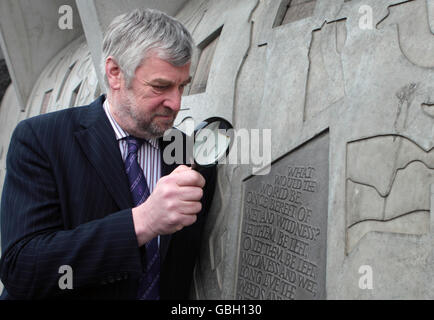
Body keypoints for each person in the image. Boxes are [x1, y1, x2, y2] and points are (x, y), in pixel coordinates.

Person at [0, 8, 216, 300]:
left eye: (182, 86)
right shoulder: (41, 140)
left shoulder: (187, 154)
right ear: (115, 73)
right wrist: (143, 221)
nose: (176, 103)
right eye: (161, 86)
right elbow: (21, 268)